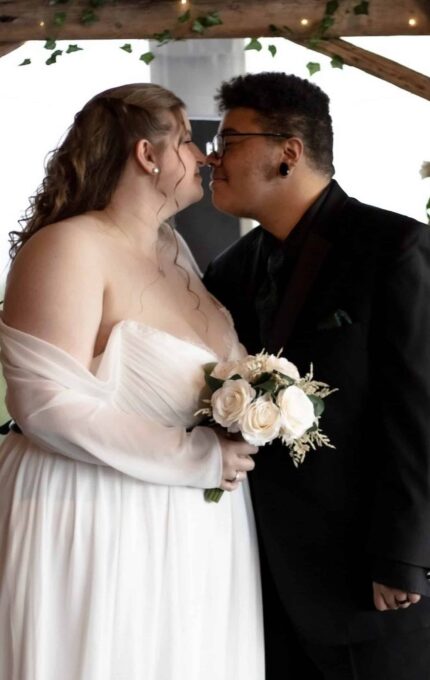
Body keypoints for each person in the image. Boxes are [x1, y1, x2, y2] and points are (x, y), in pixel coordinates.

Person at [0, 83, 264, 680]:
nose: (205, 157)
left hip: (192, 528)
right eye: (189, 142)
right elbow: (44, 403)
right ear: (148, 155)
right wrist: (194, 457)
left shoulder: (173, 251)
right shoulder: (69, 246)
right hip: (96, 518)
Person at [204, 71, 430, 680]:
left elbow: (418, 413)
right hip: (261, 575)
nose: (211, 157)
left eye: (228, 140)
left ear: (289, 152)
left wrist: (406, 557)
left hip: (371, 578)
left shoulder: (395, 248)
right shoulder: (227, 271)